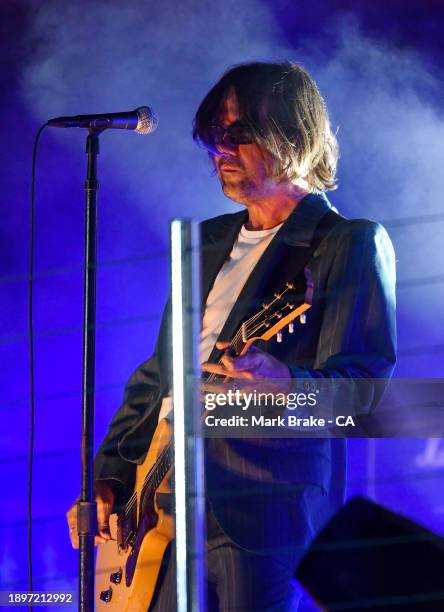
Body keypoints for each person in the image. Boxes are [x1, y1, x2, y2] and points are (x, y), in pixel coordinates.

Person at [67, 61, 397, 610]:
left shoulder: (347, 243)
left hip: (261, 505)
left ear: (293, 136)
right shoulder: (205, 241)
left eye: (237, 135)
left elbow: (362, 393)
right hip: (160, 504)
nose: (220, 151)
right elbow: (156, 379)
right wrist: (109, 479)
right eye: (212, 138)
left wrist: (286, 384)